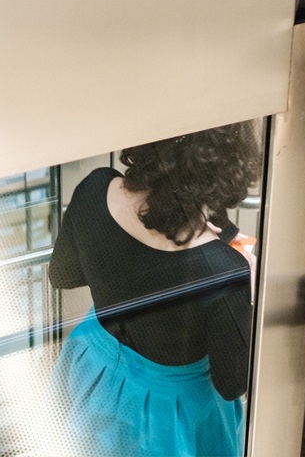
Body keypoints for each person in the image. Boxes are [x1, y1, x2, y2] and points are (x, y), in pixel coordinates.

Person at [48, 122, 261, 456]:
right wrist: (248, 286)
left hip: (92, 366)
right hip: (168, 414)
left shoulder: (94, 187)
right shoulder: (221, 269)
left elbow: (63, 275)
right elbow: (232, 382)